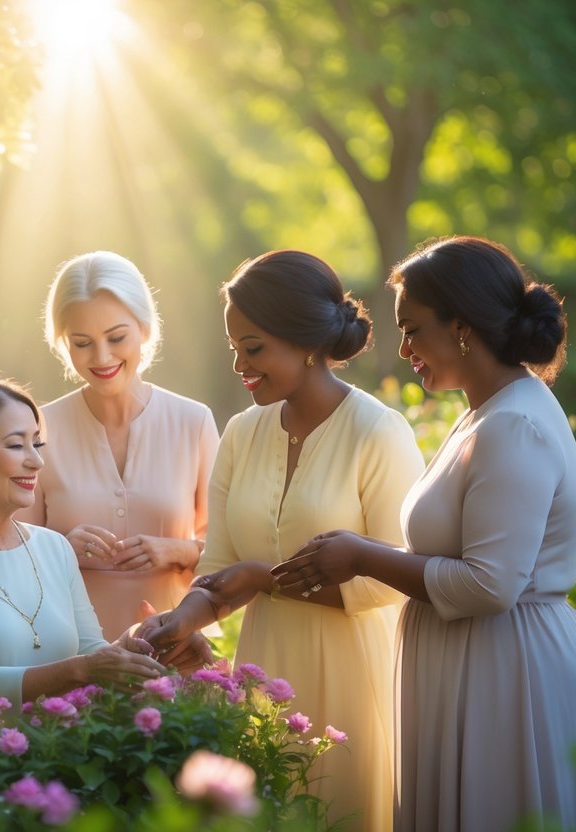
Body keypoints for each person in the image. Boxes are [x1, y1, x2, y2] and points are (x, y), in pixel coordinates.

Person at [274, 236, 576, 831]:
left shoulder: (513, 424)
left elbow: (491, 586)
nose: (404, 348)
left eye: (412, 330)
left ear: (461, 326)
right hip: (476, 666)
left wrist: (362, 556)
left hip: (511, 678)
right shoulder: (485, 411)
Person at [137, 250, 424, 832]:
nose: (240, 364)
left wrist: (261, 579)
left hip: (355, 675)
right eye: (235, 348)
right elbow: (218, 567)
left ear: (305, 340)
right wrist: (177, 624)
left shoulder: (379, 431)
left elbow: (392, 579)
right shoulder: (242, 433)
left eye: (254, 347)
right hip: (265, 678)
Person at [0, 377, 178, 746]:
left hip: (56, 758)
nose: (36, 461)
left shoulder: (55, 548)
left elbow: (90, 650)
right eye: (16, 445)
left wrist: (144, 640)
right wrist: (80, 670)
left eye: (37, 443)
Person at [16, 251, 220, 640]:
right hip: (66, 652)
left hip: (172, 647)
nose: (102, 357)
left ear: (144, 329)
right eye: (82, 342)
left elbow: (228, 549)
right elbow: (5, 548)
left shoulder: (194, 422)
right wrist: (58, 549)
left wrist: (175, 550)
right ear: (63, 343)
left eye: (116, 337)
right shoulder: (37, 427)